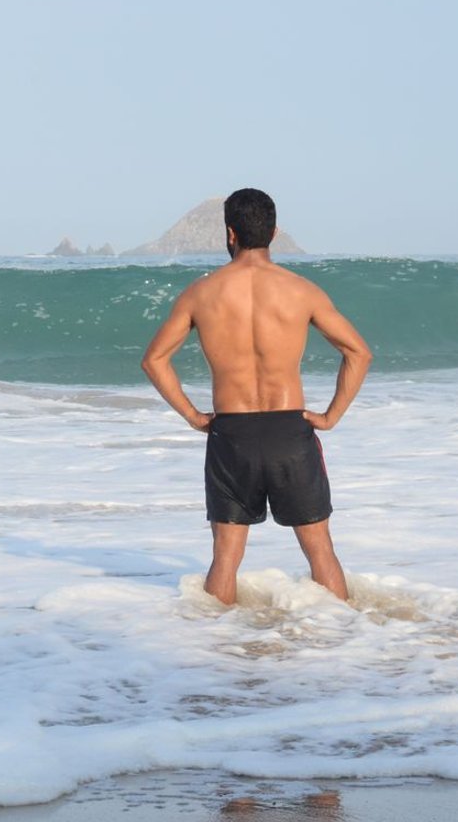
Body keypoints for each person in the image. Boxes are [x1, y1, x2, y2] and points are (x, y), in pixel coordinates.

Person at [139, 188, 373, 605]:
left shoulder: (200, 294)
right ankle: (340, 637)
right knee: (320, 551)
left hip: (232, 433)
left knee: (226, 558)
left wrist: (194, 416)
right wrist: (330, 416)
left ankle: (217, 641)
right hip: (290, 431)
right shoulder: (302, 291)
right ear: (275, 232)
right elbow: (358, 352)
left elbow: (154, 360)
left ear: (230, 233)